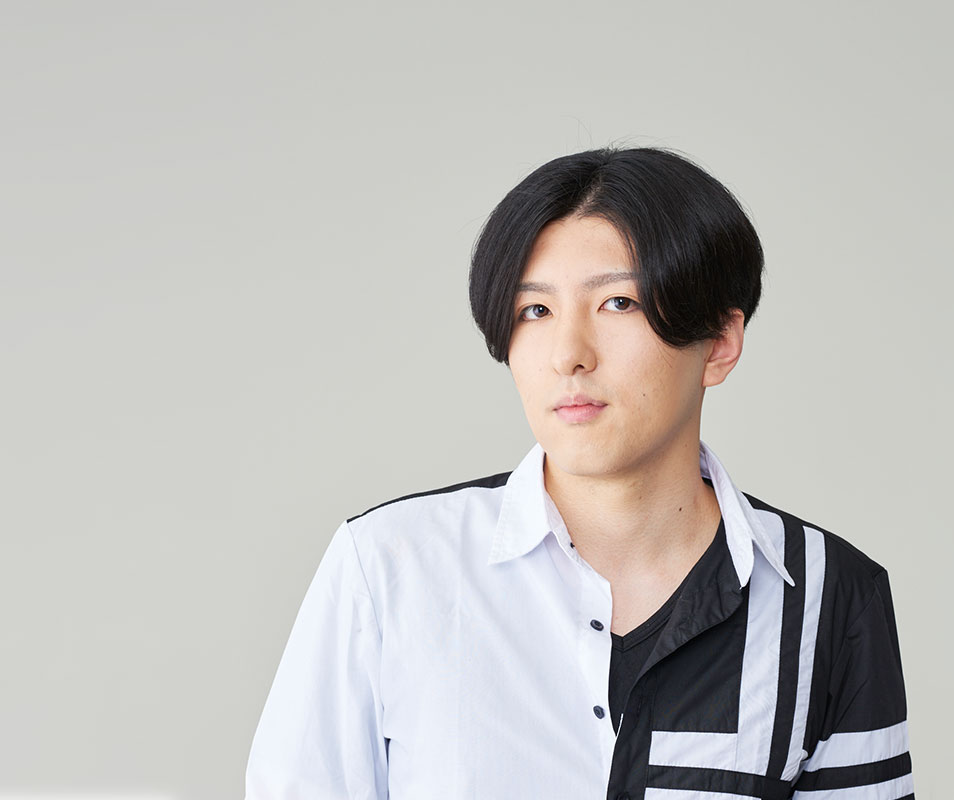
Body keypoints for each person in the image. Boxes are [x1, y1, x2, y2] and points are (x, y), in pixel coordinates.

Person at [244, 145, 916, 800]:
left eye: (619, 303)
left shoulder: (830, 596)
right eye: (535, 311)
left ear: (719, 341)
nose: (568, 353)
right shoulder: (390, 568)